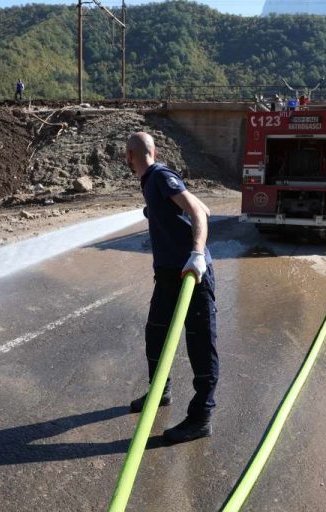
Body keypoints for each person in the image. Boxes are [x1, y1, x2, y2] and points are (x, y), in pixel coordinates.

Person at [125, 132, 219, 444]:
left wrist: (196, 254)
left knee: (200, 343)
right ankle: (160, 392)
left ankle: (200, 418)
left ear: (129, 157)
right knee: (156, 333)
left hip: (191, 274)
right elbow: (204, 208)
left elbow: (197, 213)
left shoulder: (160, 177)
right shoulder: (153, 182)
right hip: (167, 275)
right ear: (155, 149)